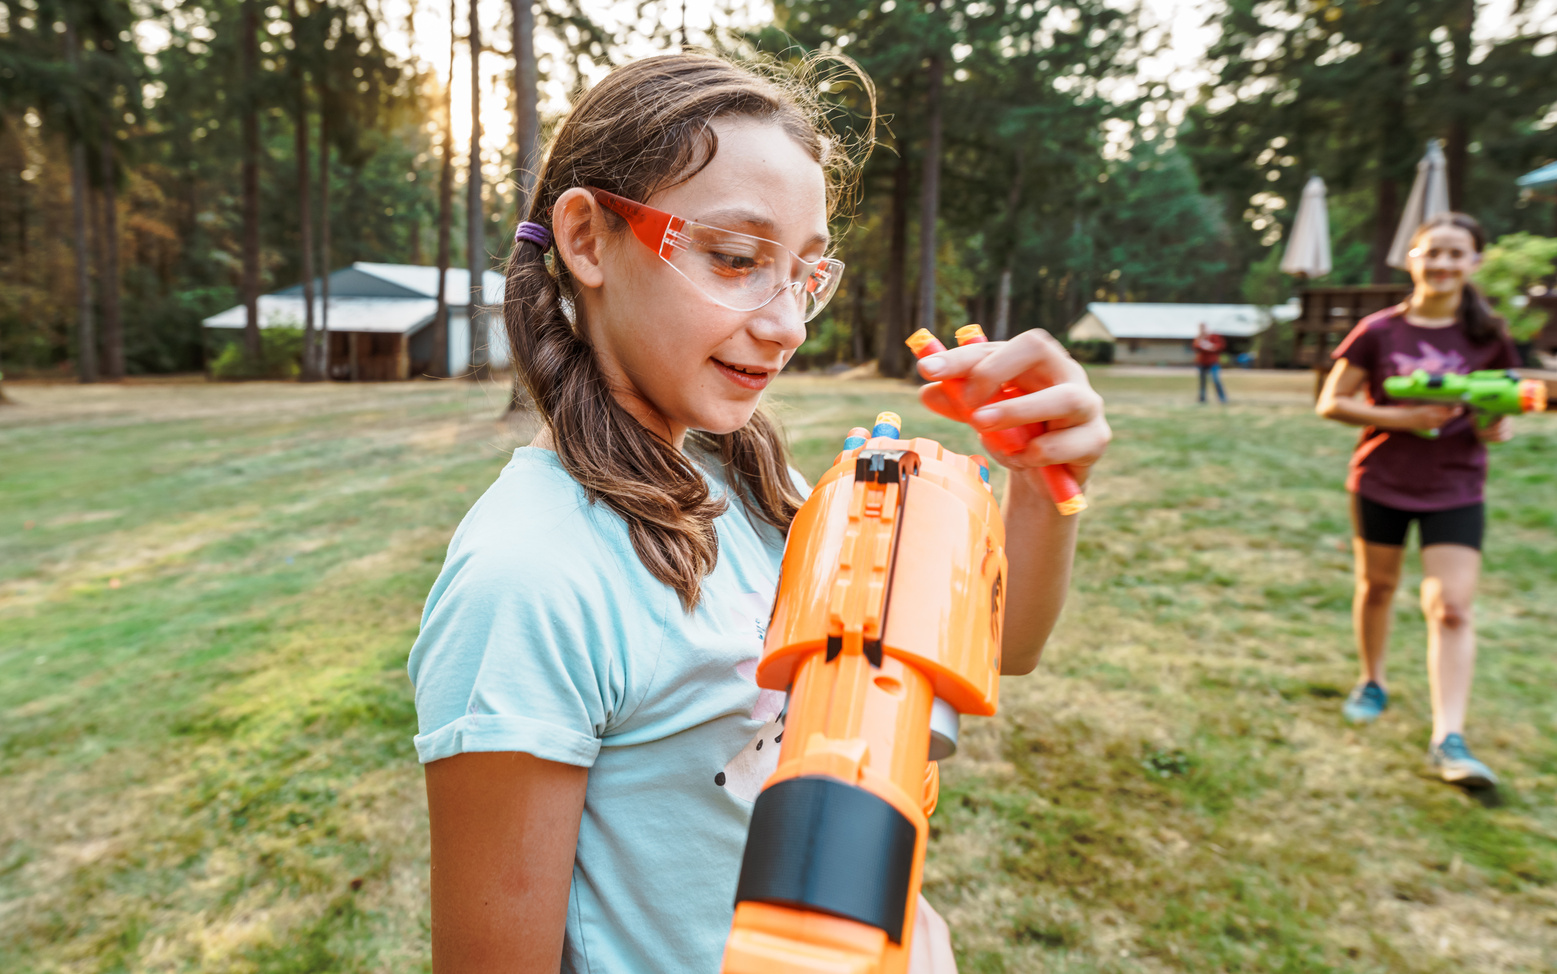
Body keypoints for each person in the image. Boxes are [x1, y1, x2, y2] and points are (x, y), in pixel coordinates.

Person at [406, 52, 1112, 974]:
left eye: (807, 274)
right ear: (587, 239)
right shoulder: (528, 579)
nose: (786, 323)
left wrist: (1038, 481)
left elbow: (1001, 649)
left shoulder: (738, 487)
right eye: (735, 259)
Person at [1316, 211, 1520, 789]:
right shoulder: (1380, 331)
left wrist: (1494, 426)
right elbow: (1332, 401)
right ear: (1412, 258)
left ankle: (1447, 738)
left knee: (1451, 606)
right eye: (1432, 252)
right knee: (1377, 587)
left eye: (1456, 254)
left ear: (1474, 263)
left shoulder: (1488, 336)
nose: (1443, 263)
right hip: (1382, 477)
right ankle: (1371, 680)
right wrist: (1401, 417)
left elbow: (1495, 412)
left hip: (1455, 484)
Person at [1193, 323, 1227, 403]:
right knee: (1202, 382)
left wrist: (1212, 347)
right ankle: (1202, 399)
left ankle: (1223, 399)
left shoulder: (1214, 336)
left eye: (1203, 327)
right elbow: (1196, 347)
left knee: (1216, 380)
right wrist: (1203, 342)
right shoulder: (1198, 338)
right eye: (1200, 328)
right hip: (1202, 363)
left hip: (1213, 362)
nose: (1202, 329)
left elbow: (1220, 346)